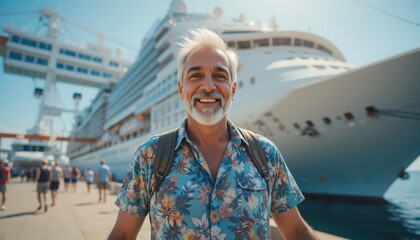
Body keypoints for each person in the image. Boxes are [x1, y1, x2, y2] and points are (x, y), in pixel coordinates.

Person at [108, 28, 319, 240]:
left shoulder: (265, 153)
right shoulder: (150, 155)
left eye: (220, 76)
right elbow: (123, 234)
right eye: (196, 75)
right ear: (181, 90)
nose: (208, 86)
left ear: (233, 89)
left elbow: (297, 231)